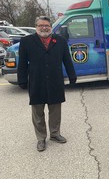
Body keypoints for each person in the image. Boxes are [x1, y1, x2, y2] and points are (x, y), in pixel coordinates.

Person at [17, 16, 77, 152]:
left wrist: (72, 75)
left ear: (51, 27)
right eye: (41, 25)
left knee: (55, 110)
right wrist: (22, 79)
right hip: (36, 81)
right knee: (38, 113)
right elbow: (22, 63)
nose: (44, 27)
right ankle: (41, 138)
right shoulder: (27, 41)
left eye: (47, 25)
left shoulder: (60, 41)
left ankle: (55, 134)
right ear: (36, 27)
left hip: (55, 80)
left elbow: (67, 60)